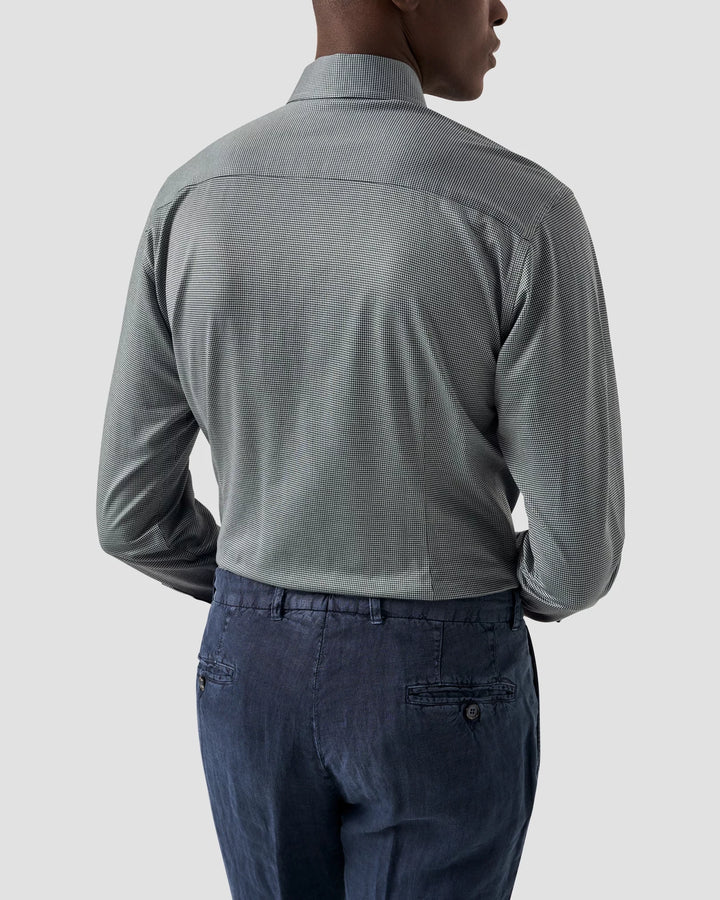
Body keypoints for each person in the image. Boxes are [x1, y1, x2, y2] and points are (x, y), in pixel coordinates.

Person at [96, 0, 625, 896]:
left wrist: (264, 593)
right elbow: (577, 561)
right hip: (441, 667)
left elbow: (128, 517)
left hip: (248, 662)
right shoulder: (519, 209)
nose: (502, 8)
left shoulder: (192, 196)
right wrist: (473, 602)